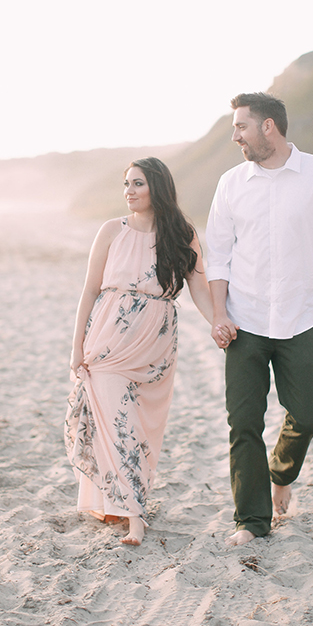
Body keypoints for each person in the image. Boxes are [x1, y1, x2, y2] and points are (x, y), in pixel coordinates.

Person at [206, 93, 313, 545]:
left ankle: (281, 472)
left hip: (302, 318)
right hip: (244, 321)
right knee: (244, 422)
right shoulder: (231, 183)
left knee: (308, 413)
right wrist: (218, 314)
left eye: (241, 127)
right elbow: (218, 258)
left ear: (268, 126)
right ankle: (251, 521)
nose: (235, 136)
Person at [64, 158, 232, 546]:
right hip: (107, 342)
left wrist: (216, 322)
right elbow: (89, 291)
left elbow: (199, 289)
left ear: (157, 186)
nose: (129, 191)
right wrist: (77, 348)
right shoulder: (110, 231)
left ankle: (123, 503)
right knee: (115, 423)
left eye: (137, 183)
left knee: (138, 428)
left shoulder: (181, 234)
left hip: (154, 348)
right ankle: (134, 515)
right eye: (126, 184)